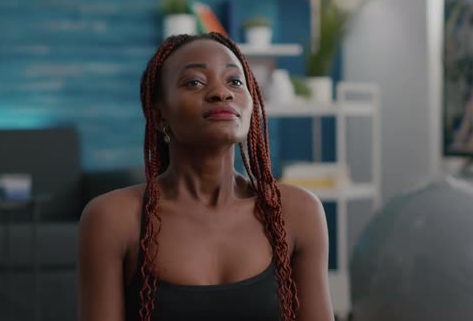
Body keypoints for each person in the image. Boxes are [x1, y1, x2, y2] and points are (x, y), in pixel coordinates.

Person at [78, 32, 334, 321]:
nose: (221, 93)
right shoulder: (112, 219)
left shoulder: (298, 212)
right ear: (160, 115)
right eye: (194, 82)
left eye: (235, 81)